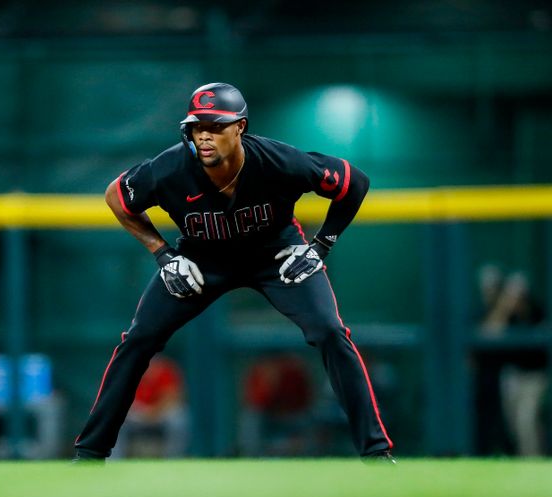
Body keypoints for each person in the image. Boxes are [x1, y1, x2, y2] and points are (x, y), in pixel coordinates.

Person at [73, 82, 393, 463]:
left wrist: (322, 245)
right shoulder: (171, 168)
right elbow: (117, 196)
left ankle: (375, 452)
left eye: (216, 126)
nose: (204, 135)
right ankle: (90, 453)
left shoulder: (279, 161)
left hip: (276, 256)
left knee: (330, 332)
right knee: (138, 339)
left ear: (240, 127)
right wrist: (162, 254)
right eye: (196, 127)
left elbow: (353, 182)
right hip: (200, 261)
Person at [476, 266, 547, 456]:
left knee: (527, 420)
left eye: (519, 294)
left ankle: (534, 462)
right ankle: (522, 458)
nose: (517, 298)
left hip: (534, 377)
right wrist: (506, 307)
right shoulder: (506, 314)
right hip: (512, 376)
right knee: (513, 424)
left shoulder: (537, 311)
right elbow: (489, 334)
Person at [112, 355, 189, 458]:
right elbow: (118, 400)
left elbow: (173, 398)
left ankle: (173, 460)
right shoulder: (125, 371)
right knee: (113, 419)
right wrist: (141, 413)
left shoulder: (166, 370)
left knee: (179, 419)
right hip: (136, 416)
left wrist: (153, 413)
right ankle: (114, 462)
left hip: (160, 415)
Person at [239, 355, 313, 457]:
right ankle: (251, 455)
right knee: (250, 418)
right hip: (268, 419)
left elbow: (305, 401)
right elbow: (255, 403)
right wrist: (269, 383)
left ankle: (309, 455)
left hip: (292, 418)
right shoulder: (258, 372)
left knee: (309, 421)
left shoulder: (294, 372)